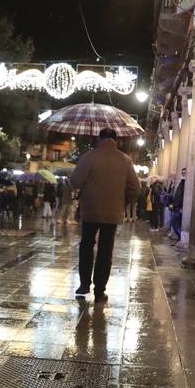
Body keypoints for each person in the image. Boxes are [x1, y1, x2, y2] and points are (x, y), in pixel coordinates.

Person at [69, 127, 140, 302]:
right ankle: (100, 290)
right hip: (113, 212)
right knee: (106, 250)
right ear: (116, 140)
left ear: (99, 139)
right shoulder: (125, 160)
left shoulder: (88, 158)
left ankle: (84, 284)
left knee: (86, 245)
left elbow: (75, 181)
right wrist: (124, 202)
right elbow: (135, 188)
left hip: (90, 209)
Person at [169, 167, 187, 243]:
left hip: (179, 208)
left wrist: (181, 207)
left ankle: (181, 238)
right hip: (176, 207)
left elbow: (183, 196)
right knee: (174, 223)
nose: (183, 174)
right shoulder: (181, 182)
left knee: (175, 222)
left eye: (184, 173)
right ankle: (180, 238)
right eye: (182, 173)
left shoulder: (185, 183)